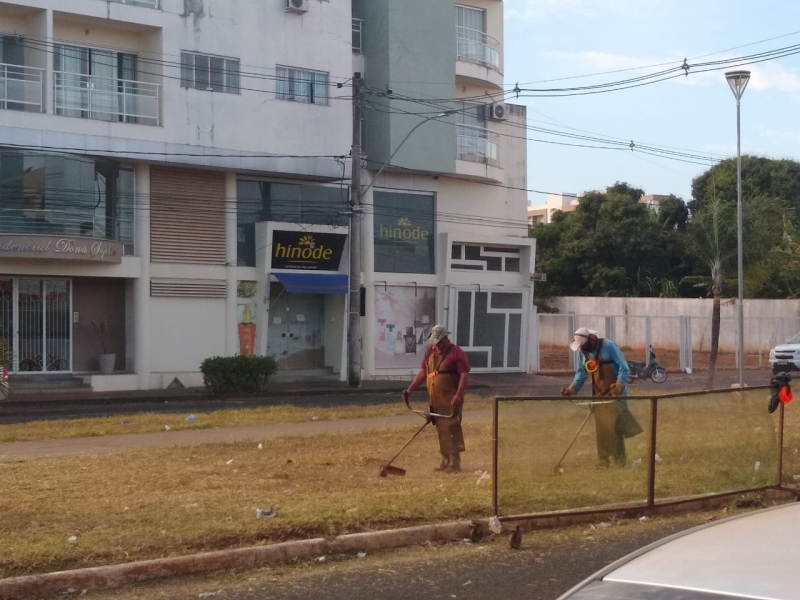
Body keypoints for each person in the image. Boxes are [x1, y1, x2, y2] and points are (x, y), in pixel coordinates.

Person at [561, 327, 642, 467]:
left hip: (616, 394)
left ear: (591, 340)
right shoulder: (583, 353)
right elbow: (581, 373)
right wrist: (572, 390)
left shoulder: (608, 346)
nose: (581, 349)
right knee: (602, 429)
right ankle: (603, 461)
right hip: (598, 395)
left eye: (583, 346)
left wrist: (619, 385)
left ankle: (620, 461)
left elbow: (624, 367)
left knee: (616, 427)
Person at [401, 325, 470, 473]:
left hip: (451, 397)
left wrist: (459, 395)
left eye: (439, 342)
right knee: (441, 428)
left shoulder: (457, 352)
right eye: (435, 342)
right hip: (436, 398)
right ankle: (445, 460)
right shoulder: (429, 352)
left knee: (451, 427)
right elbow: (422, 373)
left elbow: (464, 375)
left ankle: (454, 462)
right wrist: (409, 390)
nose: (437, 345)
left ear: (446, 338)